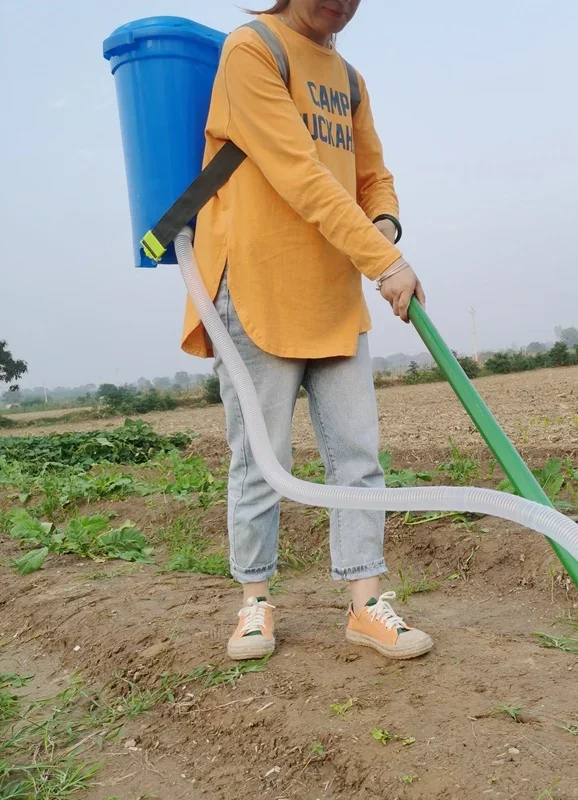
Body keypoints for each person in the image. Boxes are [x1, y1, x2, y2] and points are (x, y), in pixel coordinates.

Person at [181, 0, 433, 662]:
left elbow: (372, 175)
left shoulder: (348, 78)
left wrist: (385, 225)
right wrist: (387, 262)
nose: (343, 3)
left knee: (356, 455)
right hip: (258, 285)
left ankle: (366, 606)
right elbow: (300, 175)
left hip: (333, 290)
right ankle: (255, 604)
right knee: (263, 459)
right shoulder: (252, 49)